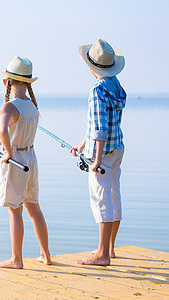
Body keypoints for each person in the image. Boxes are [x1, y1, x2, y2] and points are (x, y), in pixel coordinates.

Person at [0, 56, 51, 269]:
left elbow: (4, 130)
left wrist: (8, 153)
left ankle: (16, 259)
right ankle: (45, 255)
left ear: (7, 82)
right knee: (34, 207)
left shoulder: (9, 107)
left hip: (16, 161)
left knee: (14, 209)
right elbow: (14, 133)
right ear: (28, 83)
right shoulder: (32, 106)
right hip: (30, 157)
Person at [71, 39, 126, 266]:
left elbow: (100, 127)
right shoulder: (116, 86)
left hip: (103, 152)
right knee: (114, 196)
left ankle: (102, 255)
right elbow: (104, 123)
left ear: (91, 67)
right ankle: (109, 248)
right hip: (118, 147)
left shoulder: (97, 89)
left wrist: (96, 158)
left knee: (101, 199)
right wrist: (83, 143)